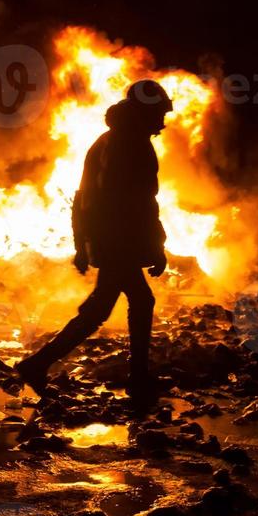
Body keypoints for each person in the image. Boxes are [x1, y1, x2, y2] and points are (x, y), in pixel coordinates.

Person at [15, 80, 173, 401]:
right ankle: (41, 364)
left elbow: (83, 196)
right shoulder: (130, 144)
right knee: (111, 309)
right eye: (159, 112)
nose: (164, 121)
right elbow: (136, 203)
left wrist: (82, 243)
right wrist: (155, 245)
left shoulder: (110, 139)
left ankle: (40, 364)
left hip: (110, 240)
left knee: (122, 305)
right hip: (120, 242)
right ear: (146, 111)